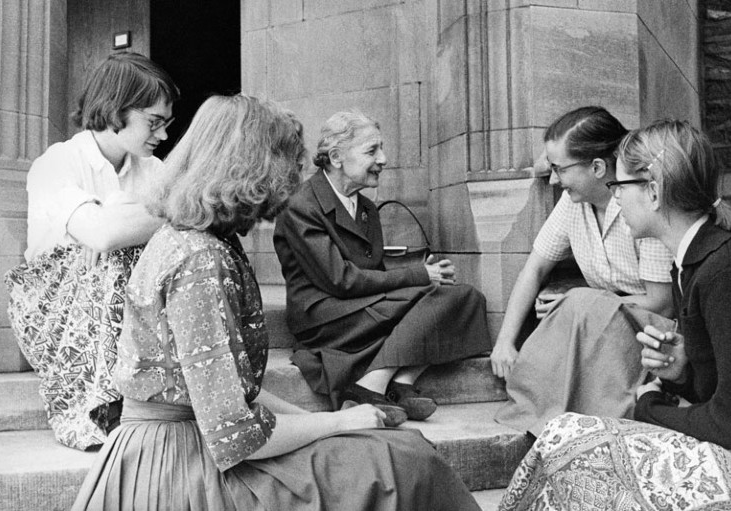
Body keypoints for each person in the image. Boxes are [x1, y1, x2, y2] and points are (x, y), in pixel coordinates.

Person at [72, 94, 480, 511]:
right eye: (286, 167)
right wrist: (340, 420)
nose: (291, 183)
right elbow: (236, 436)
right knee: (403, 463)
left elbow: (231, 390)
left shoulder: (201, 241)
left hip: (187, 446)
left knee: (394, 447)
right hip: (182, 471)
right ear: (253, 169)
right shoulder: (198, 261)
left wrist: (332, 424)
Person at [498, 120, 731, 510]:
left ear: (654, 192)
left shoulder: (728, 269)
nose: (616, 198)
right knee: (566, 440)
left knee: (565, 437)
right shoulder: (690, 264)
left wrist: (650, 408)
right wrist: (682, 374)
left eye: (620, 186)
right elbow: (728, 391)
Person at [4, 52, 179, 449]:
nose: (163, 135)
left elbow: (192, 217)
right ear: (117, 109)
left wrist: (123, 226)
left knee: (136, 256)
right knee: (116, 256)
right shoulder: (57, 162)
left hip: (118, 298)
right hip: (50, 305)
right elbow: (103, 235)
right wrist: (128, 226)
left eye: (166, 124)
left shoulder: (151, 169)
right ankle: (97, 409)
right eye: (154, 122)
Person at [273, 110, 491, 426]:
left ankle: (397, 382)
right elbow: (341, 279)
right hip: (326, 315)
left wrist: (421, 276)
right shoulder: (301, 205)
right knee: (428, 295)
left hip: (363, 306)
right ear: (336, 157)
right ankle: (372, 385)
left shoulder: (366, 208)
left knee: (465, 297)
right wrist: (418, 277)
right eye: (372, 150)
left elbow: (374, 271)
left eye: (382, 148)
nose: (384, 159)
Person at [490, 106, 674, 435]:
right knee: (568, 312)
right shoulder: (573, 203)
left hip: (652, 334)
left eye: (560, 168)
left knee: (575, 304)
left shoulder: (642, 203)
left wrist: (588, 303)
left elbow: (663, 302)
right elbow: (534, 269)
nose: (553, 179)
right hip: (600, 326)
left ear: (598, 167)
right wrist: (504, 341)